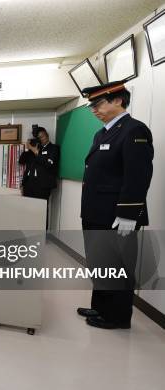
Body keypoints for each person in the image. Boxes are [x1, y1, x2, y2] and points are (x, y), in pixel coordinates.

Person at [76, 81, 153, 330]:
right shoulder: (102, 133)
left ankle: (117, 316)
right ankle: (101, 306)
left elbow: (137, 175)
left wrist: (129, 214)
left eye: (98, 104)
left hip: (116, 216)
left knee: (117, 267)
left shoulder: (134, 130)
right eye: (92, 106)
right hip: (96, 213)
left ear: (118, 100)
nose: (94, 110)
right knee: (99, 263)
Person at [20, 127, 59, 201]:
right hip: (28, 184)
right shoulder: (34, 148)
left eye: (43, 136)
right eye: (39, 138)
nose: (42, 138)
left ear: (47, 135)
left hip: (42, 185)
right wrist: (27, 148)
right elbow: (21, 161)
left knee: (41, 210)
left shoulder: (54, 148)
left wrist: (36, 152)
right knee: (27, 209)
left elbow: (48, 164)